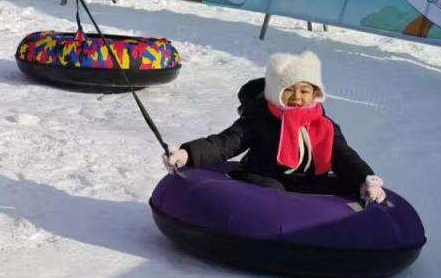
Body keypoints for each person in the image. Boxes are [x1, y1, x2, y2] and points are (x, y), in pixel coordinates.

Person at [162, 51, 386, 202]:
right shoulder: (260, 119)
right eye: (289, 90)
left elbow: (344, 156)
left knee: (347, 189)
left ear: (315, 94)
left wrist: (365, 179)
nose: (297, 97)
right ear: (276, 92)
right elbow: (224, 143)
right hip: (263, 177)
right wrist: (186, 154)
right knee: (272, 193)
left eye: (304, 91)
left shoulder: (324, 126)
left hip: (304, 182)